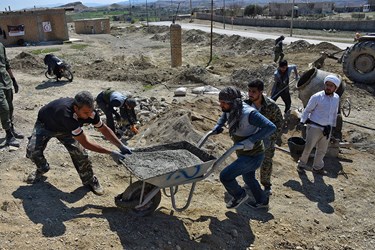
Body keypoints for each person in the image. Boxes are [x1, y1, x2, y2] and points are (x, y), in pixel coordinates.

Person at [26, 91, 132, 195]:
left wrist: (120, 145)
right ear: (76, 108)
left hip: (66, 130)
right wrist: (111, 152)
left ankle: (90, 180)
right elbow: (86, 143)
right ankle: (42, 168)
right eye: (85, 113)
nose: (89, 115)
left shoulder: (90, 113)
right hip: (46, 125)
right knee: (32, 151)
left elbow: (104, 129)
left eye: (91, 111)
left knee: (81, 154)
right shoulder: (66, 115)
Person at [212, 86, 276, 209]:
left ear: (233, 103)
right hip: (243, 152)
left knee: (225, 176)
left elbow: (271, 127)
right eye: (220, 102)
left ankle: (239, 195)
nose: (221, 105)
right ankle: (262, 201)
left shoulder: (249, 114)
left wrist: (251, 140)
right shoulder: (232, 109)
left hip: (253, 155)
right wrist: (219, 125)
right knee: (249, 178)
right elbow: (225, 115)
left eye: (223, 103)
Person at [245, 79, 283, 195]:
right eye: (249, 91)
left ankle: (266, 185)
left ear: (260, 92)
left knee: (266, 162)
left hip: (266, 140)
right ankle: (249, 182)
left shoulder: (271, 106)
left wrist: (271, 138)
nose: (251, 94)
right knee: (248, 161)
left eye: (254, 92)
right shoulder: (246, 104)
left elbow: (279, 123)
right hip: (250, 138)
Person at [296, 75, 341, 175]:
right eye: (327, 85)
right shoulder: (317, 97)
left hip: (327, 129)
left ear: (335, 88)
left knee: (322, 150)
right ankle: (301, 165)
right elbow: (307, 110)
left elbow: (334, 114)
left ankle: (317, 167)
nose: (328, 87)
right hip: (314, 127)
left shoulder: (336, 98)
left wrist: (332, 129)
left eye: (331, 86)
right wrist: (302, 122)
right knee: (308, 148)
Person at [0, 42, 24, 147]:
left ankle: (12, 129)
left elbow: (6, 63)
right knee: (3, 108)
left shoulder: (1, 45)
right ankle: (9, 135)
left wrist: (13, 80)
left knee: (10, 107)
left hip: (6, 81)